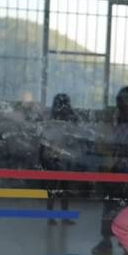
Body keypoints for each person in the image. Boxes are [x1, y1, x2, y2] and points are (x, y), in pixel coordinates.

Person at [93, 86, 128, 255]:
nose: (126, 105)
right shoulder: (111, 123)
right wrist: (113, 150)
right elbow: (100, 145)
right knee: (109, 206)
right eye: (122, 101)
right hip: (112, 170)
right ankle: (106, 240)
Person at [41, 93, 79, 225]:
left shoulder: (67, 121)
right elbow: (47, 142)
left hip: (62, 158)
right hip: (53, 158)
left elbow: (71, 139)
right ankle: (52, 217)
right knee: (54, 189)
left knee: (64, 188)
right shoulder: (52, 123)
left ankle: (62, 216)